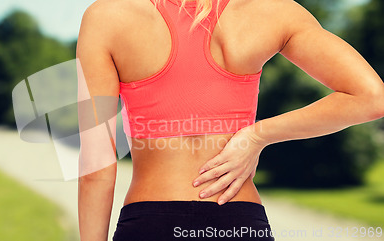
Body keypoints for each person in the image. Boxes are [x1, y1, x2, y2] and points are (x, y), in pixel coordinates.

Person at [76, 0, 384, 240]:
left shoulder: (107, 16)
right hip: (238, 222)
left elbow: (96, 166)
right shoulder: (269, 10)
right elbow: (372, 97)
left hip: (149, 224)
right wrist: (256, 136)